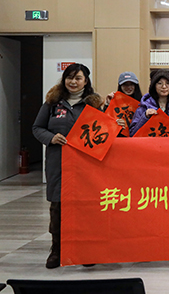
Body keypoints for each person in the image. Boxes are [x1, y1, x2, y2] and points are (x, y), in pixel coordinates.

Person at [32, 63, 104, 269]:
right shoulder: (52, 103)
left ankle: (85, 249)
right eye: (69, 78)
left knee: (86, 206)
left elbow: (103, 131)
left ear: (86, 81)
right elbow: (37, 127)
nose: (73, 82)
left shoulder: (94, 104)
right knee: (58, 206)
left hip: (86, 165)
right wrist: (51, 138)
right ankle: (57, 250)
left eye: (78, 78)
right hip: (58, 163)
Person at [129, 69, 169, 136]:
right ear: (154, 86)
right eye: (160, 83)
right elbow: (133, 134)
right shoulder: (143, 108)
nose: (164, 87)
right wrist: (145, 117)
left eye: (168, 83)